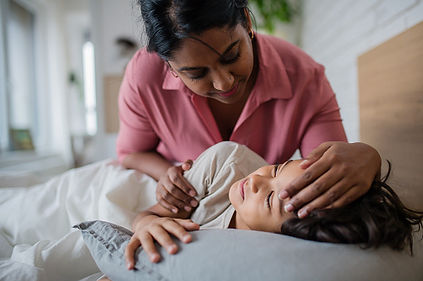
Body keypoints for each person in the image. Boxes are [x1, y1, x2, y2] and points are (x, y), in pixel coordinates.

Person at [117, 0, 381, 219]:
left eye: (232, 56)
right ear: (170, 66)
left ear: (247, 21)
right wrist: (169, 178)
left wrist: (369, 157)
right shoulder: (144, 77)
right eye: (196, 73)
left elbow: (327, 183)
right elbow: (131, 153)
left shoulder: (305, 79)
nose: (224, 83)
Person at [124, 142, 423, 268]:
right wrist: (148, 224)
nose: (256, 181)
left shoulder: (262, 258)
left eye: (269, 198)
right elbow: (147, 214)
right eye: (278, 168)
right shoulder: (226, 163)